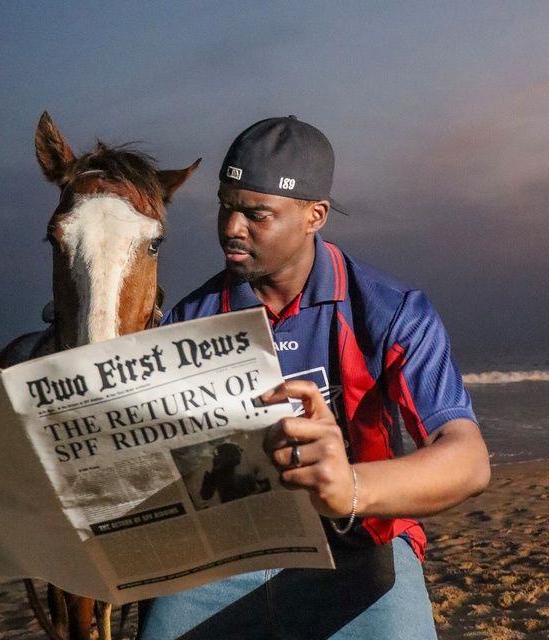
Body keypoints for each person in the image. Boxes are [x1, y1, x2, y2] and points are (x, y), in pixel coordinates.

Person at [137, 116, 491, 639]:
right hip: (224, 554)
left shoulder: (391, 311)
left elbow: (468, 459)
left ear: (314, 215)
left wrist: (351, 487)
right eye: (225, 206)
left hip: (358, 544)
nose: (231, 227)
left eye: (256, 214)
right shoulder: (189, 320)